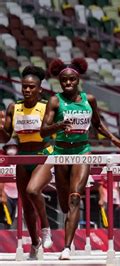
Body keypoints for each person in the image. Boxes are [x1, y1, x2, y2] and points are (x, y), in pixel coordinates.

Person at [39, 58, 120, 260]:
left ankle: (66, 247)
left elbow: (97, 125)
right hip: (61, 153)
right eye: (64, 81)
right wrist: (58, 126)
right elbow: (43, 131)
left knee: (74, 198)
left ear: (78, 79)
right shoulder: (55, 101)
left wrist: (115, 140)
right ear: (59, 82)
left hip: (82, 151)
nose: (68, 83)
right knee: (64, 204)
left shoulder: (89, 100)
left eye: (72, 80)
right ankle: (67, 231)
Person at [0, 66, 54, 259]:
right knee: (26, 205)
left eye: (32, 87)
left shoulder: (47, 106)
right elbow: (6, 138)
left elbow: (53, 131)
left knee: (33, 191)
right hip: (23, 157)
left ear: (40, 89)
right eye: (24, 87)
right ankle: (35, 243)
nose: (27, 90)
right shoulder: (14, 108)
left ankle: (46, 228)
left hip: (43, 154)